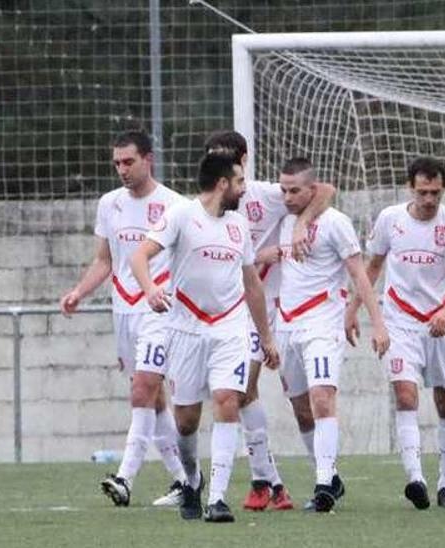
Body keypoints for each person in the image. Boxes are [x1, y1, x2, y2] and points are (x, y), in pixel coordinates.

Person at [128, 151, 279, 523]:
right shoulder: (182, 215)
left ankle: (219, 498)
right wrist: (149, 289)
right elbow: (140, 257)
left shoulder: (238, 226)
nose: (245, 189)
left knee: (227, 400)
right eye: (240, 181)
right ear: (223, 183)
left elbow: (252, 285)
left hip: (230, 327)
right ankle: (192, 481)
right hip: (185, 329)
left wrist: (267, 337)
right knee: (186, 421)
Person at [203, 130, 335, 512]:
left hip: (276, 308)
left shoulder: (264, 194)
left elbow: (325, 189)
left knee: (300, 403)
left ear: (243, 159)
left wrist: (298, 225)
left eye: (228, 156)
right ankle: (269, 482)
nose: (222, 164)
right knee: (240, 390)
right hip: (232, 312)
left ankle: (314, 479)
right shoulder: (207, 208)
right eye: (213, 157)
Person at [59, 130, 188, 507]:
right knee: (153, 398)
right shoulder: (109, 204)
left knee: (142, 389)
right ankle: (184, 481)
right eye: (116, 163)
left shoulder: (175, 205)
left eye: (129, 161)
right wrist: (78, 293)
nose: (121, 169)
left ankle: (125, 478)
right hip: (124, 310)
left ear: (149, 159)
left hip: (160, 310)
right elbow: (105, 260)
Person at [348, 156, 445, 510]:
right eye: (423, 192)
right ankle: (416, 478)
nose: (430, 199)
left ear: (444, 189)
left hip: (441, 325)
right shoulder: (391, 220)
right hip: (400, 321)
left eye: (436, 192)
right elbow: (371, 269)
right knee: (406, 395)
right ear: (411, 188)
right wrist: (351, 311)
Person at [270, 157, 388, 513]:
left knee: (323, 398)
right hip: (286, 324)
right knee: (301, 409)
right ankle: (331, 477)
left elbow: (360, 274)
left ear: (313, 189)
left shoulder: (336, 223)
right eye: (284, 190)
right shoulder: (283, 219)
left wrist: (377, 322)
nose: (288, 197)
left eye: (295, 191)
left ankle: (322, 484)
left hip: (323, 322)